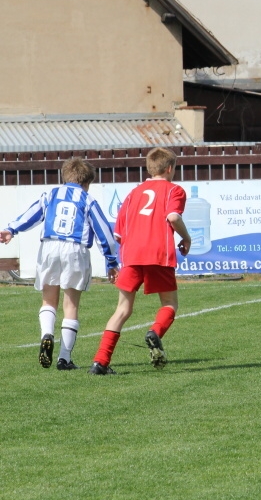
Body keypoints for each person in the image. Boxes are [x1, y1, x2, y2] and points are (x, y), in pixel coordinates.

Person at [0, 157, 119, 370]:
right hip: (75, 248)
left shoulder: (51, 194)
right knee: (71, 304)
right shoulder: (87, 199)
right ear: (87, 182)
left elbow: (32, 214)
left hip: (50, 246)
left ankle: (47, 333)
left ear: (65, 176)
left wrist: (11, 229)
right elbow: (104, 233)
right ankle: (64, 358)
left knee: (48, 300)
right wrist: (111, 261)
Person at [89, 147, 191, 375]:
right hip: (158, 253)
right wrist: (186, 237)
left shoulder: (133, 194)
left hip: (132, 255)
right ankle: (155, 332)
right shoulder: (174, 190)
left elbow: (119, 234)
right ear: (170, 168)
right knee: (169, 305)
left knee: (122, 310)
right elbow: (173, 216)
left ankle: (100, 362)